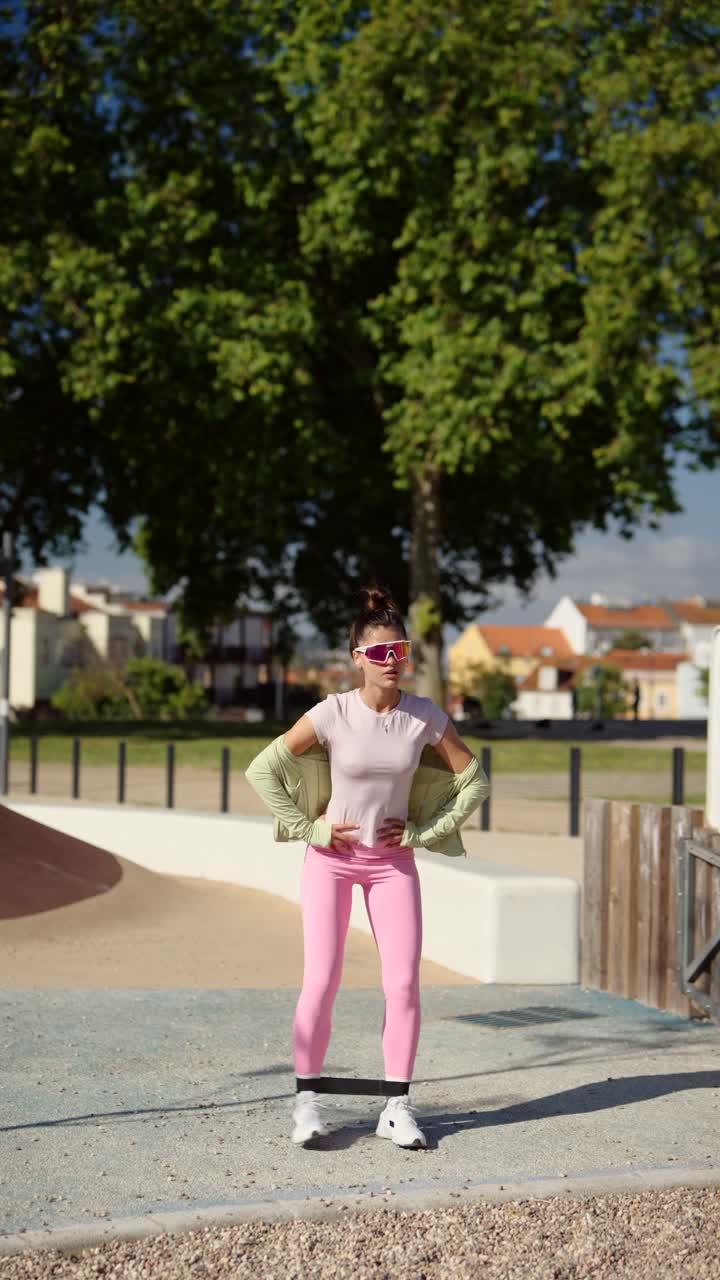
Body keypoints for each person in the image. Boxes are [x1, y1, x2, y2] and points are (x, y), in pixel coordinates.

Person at [245, 586, 489, 1150]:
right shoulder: (332, 712)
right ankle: (307, 1103)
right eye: (379, 653)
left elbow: (475, 782)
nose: (391, 662)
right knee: (322, 980)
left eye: (398, 651)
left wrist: (427, 833)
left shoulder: (424, 717)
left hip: (393, 864)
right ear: (357, 657)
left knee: (403, 983)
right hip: (330, 862)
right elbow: (263, 770)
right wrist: (311, 830)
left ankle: (397, 1107)